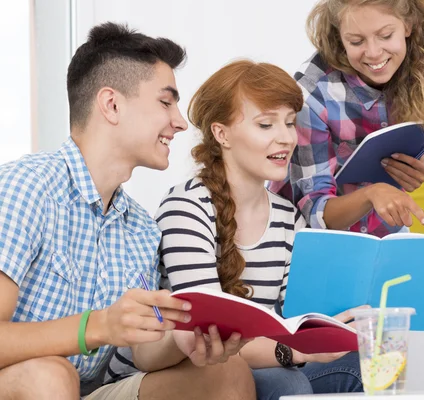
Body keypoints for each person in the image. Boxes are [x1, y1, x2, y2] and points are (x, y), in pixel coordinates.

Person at [0, 22, 255, 400]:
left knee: (226, 373)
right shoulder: (26, 187)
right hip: (25, 383)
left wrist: (187, 337)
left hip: (88, 391)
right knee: (49, 376)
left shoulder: (140, 228)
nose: (181, 122)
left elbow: (143, 352)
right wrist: (99, 325)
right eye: (166, 102)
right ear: (112, 104)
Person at [118, 59, 363, 400]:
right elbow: (205, 335)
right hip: (182, 370)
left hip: (259, 360)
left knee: (358, 368)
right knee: (287, 384)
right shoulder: (187, 208)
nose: (286, 138)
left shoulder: (289, 218)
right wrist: (297, 351)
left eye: (290, 123)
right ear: (222, 134)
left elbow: (293, 321)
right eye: (266, 125)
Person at [269, 0, 424, 237]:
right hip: (312, 244)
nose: (374, 52)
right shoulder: (312, 95)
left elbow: (406, 164)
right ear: (340, 37)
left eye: (385, 35)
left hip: (383, 234)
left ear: (408, 25)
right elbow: (314, 212)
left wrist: (410, 172)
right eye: (356, 41)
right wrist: (371, 194)